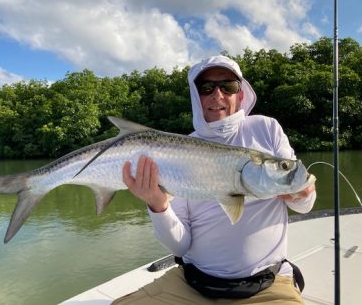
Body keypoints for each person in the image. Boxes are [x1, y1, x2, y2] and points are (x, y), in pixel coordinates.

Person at [113, 55, 316, 305]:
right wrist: (157, 204)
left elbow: (305, 205)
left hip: (267, 285)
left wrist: (302, 194)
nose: (217, 95)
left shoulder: (266, 130)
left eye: (227, 86)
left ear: (240, 95)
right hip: (192, 285)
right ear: (195, 97)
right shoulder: (174, 152)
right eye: (206, 88)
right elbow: (179, 247)